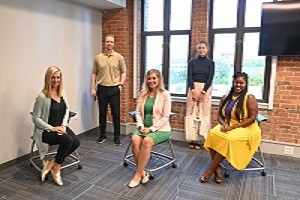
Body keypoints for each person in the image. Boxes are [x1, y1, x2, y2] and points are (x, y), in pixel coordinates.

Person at [200, 72, 261, 184]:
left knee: (228, 140)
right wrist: (223, 124)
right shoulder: (226, 97)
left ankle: (211, 170)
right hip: (228, 125)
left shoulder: (249, 98)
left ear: (246, 84)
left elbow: (252, 118)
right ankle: (218, 169)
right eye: (236, 82)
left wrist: (233, 127)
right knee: (212, 134)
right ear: (233, 83)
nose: (238, 85)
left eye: (241, 83)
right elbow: (219, 115)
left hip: (247, 128)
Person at [32, 66, 80, 186]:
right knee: (68, 140)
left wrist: (63, 126)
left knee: (76, 142)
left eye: (58, 77)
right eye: (53, 77)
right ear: (48, 78)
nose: (56, 80)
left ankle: (52, 164)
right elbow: (35, 118)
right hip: (46, 131)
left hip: (60, 127)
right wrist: (52, 128)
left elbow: (66, 110)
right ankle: (57, 169)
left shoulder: (62, 93)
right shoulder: (41, 97)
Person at [128, 69, 171, 188]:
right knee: (135, 140)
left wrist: (151, 129)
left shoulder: (165, 94)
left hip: (161, 129)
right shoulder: (143, 93)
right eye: (149, 78)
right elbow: (137, 112)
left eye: (154, 78)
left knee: (146, 141)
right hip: (143, 127)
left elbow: (165, 117)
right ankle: (143, 172)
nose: (151, 81)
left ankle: (137, 174)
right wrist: (141, 125)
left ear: (159, 79)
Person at [90, 34, 126, 146]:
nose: (109, 43)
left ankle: (116, 137)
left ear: (114, 44)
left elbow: (123, 72)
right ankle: (102, 135)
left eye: (111, 42)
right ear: (104, 43)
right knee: (102, 113)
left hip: (114, 89)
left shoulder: (119, 57)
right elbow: (94, 73)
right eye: (107, 41)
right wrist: (92, 88)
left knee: (116, 114)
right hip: (102, 88)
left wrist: (121, 84)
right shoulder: (98, 58)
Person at [186, 41, 215, 150]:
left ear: (207, 50)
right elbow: (189, 76)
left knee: (203, 113)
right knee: (192, 113)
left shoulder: (211, 63)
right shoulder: (192, 62)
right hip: (193, 88)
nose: (201, 50)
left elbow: (210, 78)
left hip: (205, 89)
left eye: (203, 48)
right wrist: (193, 90)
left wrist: (203, 92)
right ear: (197, 50)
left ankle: (200, 139)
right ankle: (192, 139)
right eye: (199, 48)